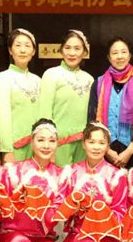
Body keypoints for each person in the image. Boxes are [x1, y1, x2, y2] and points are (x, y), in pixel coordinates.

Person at [55, 122, 127, 242]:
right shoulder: (72, 172)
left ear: (107, 146)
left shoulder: (116, 175)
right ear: (83, 143)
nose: (96, 147)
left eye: (101, 143)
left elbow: (121, 212)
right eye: (91, 142)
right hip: (78, 233)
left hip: (106, 236)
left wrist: (99, 214)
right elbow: (60, 205)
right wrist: (74, 208)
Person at [0, 118, 62, 242]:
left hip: (43, 235)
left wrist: (46, 209)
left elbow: (60, 209)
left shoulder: (60, 175)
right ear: (32, 142)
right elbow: (3, 206)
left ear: (57, 143)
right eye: (41, 140)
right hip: (15, 234)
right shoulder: (14, 171)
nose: (46, 145)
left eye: (51, 140)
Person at [87, 37, 133, 168]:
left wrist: (130, 151)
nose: (120, 56)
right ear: (109, 58)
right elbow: (92, 121)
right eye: (115, 53)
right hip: (103, 151)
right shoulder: (98, 83)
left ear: (130, 55)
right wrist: (107, 151)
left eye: (123, 52)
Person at [39, 30, 94, 166]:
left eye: (77, 48)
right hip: (58, 141)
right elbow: (44, 112)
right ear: (61, 50)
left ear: (84, 52)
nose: (72, 53)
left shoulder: (89, 79)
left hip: (83, 142)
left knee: (80, 177)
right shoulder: (51, 74)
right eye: (67, 48)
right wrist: (48, 143)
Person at [0, 28, 41, 163]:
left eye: (27, 46)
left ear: (33, 51)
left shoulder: (38, 80)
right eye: (18, 45)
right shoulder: (3, 78)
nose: (22, 50)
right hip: (15, 146)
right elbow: (2, 116)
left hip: (37, 145)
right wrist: (7, 149)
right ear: (10, 50)